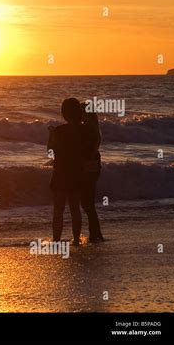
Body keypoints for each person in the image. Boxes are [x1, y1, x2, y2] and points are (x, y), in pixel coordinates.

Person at [47, 98, 83, 245]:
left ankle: (56, 239)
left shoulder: (59, 131)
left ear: (64, 113)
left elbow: (50, 151)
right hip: (76, 172)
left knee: (58, 210)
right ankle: (76, 239)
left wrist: (50, 134)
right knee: (75, 208)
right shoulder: (82, 130)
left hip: (60, 172)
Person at [80, 103, 104, 242]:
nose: (81, 115)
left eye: (83, 112)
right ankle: (95, 233)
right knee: (88, 202)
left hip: (89, 166)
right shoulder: (94, 129)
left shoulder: (88, 129)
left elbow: (87, 150)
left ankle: (95, 233)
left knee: (87, 202)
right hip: (94, 166)